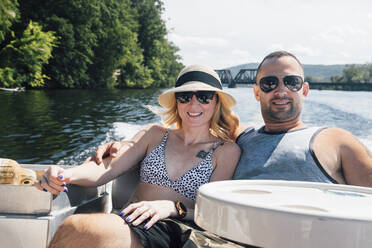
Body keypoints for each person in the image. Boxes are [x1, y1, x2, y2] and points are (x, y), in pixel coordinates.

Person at [34, 65, 242, 248]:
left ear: (216, 102)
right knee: (78, 231)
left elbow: (214, 211)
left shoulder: (226, 151)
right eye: (185, 97)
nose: (194, 104)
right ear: (177, 102)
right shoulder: (153, 135)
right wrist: (64, 174)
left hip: (179, 230)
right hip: (130, 221)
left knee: (77, 227)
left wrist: (171, 208)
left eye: (204, 97)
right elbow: (108, 167)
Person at [97, 51, 372, 187]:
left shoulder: (337, 140)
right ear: (255, 92)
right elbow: (189, 124)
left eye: (291, 81)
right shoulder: (241, 135)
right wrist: (125, 144)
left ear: (305, 89)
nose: (280, 90)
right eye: (269, 83)